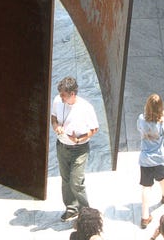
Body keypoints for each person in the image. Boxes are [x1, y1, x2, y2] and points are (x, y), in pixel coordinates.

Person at [51, 76, 99, 222]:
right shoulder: (57, 101)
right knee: (65, 180)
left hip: (80, 149)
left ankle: (87, 212)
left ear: (72, 94)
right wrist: (56, 127)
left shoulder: (86, 107)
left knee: (76, 182)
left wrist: (78, 139)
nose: (61, 97)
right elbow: (53, 117)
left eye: (63, 94)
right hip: (62, 147)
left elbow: (94, 128)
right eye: (60, 94)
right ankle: (71, 209)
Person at [137, 93, 164, 230]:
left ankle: (144, 216)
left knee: (146, 187)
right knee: (162, 177)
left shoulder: (141, 119)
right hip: (160, 158)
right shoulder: (162, 121)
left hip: (146, 159)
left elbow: (139, 129)